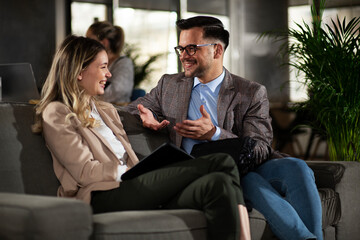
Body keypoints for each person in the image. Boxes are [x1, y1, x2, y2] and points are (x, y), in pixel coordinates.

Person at [123, 16, 323, 240]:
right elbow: (130, 111)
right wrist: (146, 117)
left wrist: (215, 134)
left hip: (248, 164)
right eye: (180, 48)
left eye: (191, 48)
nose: (183, 56)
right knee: (245, 179)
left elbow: (260, 147)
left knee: (297, 166)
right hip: (200, 169)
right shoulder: (169, 85)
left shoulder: (250, 92)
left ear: (217, 50)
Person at [32, 35, 250, 240]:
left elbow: (138, 112)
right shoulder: (56, 113)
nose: (109, 74)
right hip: (101, 195)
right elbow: (85, 172)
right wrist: (131, 172)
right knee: (222, 161)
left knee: (218, 183)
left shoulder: (106, 110)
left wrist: (151, 126)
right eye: (103, 67)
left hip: (134, 186)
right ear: (79, 72)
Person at [86, 21, 134, 103]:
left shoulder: (124, 63)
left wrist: (87, 97)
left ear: (104, 43)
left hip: (117, 111)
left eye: (89, 41)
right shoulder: (90, 62)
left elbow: (117, 91)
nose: (86, 45)